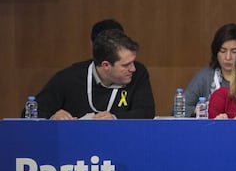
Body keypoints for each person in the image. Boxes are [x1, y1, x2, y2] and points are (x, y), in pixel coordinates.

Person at [25, 21, 155, 119]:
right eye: (126, 65)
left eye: (132, 62)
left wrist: (115, 118)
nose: (133, 68)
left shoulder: (138, 73)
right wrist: (53, 116)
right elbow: (29, 113)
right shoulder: (69, 78)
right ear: (106, 65)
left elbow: (146, 112)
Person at [183, 23, 236, 117]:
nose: (228, 57)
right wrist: (200, 110)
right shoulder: (205, 77)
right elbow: (179, 110)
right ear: (216, 52)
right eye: (223, 51)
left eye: (234, 52)